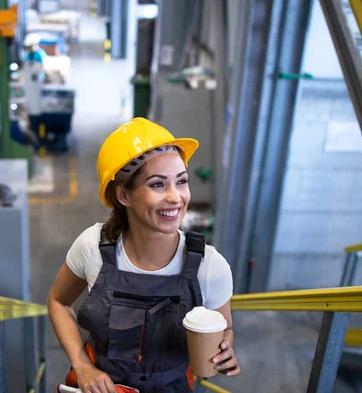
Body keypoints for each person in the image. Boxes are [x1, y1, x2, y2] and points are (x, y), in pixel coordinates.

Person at [47, 118, 240, 393]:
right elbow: (57, 301)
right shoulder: (93, 247)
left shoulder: (210, 266)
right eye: (158, 185)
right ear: (124, 194)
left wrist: (225, 348)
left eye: (182, 181)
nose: (176, 197)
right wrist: (82, 365)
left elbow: (226, 328)